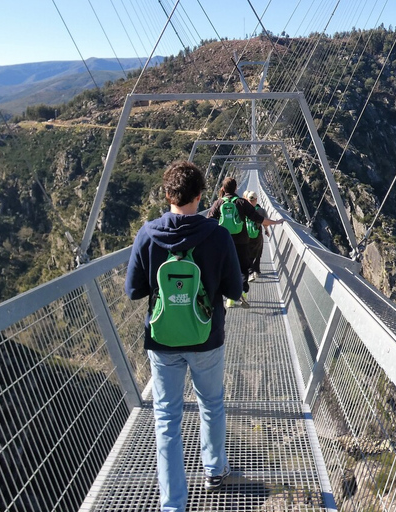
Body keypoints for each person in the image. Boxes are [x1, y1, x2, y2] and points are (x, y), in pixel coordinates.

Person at [125, 160, 242, 512]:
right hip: (207, 338)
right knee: (211, 404)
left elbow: (133, 291)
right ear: (201, 195)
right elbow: (235, 288)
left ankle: (173, 504)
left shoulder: (147, 234)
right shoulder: (218, 234)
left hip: (162, 342)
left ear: (167, 194)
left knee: (167, 419)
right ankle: (214, 471)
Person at [207, 177, 283, 308]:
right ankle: (243, 292)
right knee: (243, 268)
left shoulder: (218, 203)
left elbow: (208, 221)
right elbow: (259, 219)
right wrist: (276, 222)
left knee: (228, 268)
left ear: (223, 189)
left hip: (225, 241)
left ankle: (230, 299)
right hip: (242, 242)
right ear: (236, 188)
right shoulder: (242, 202)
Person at [245, 190, 268, 282]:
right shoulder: (261, 210)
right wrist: (267, 231)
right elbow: (265, 222)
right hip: (257, 235)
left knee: (248, 252)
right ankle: (256, 271)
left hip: (246, 235)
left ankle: (249, 271)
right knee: (258, 251)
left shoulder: (244, 209)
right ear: (256, 199)